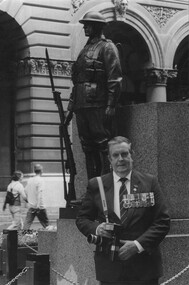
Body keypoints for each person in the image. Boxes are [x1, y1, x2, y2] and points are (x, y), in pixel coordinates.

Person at [76, 136, 170, 285]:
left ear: (132, 154)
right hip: (110, 268)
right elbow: (82, 219)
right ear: (109, 159)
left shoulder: (149, 182)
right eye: (115, 155)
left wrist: (138, 245)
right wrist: (96, 228)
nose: (121, 159)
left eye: (125, 154)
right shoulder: (97, 185)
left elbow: (162, 222)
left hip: (144, 268)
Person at [65, 11, 122, 179]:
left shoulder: (107, 47)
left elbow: (115, 78)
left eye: (88, 24)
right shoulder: (84, 50)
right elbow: (77, 83)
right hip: (81, 105)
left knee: (103, 145)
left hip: (98, 104)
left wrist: (111, 104)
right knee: (87, 147)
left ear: (97, 27)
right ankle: (93, 188)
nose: (84, 27)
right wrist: (70, 108)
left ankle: (108, 184)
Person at [23, 164, 49, 230]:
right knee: (46, 224)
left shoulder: (30, 180)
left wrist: (27, 200)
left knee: (27, 223)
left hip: (31, 206)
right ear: (41, 171)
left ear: (34, 171)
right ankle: (52, 238)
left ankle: (22, 238)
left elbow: (24, 191)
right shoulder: (41, 180)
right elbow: (40, 193)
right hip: (40, 206)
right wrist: (38, 205)